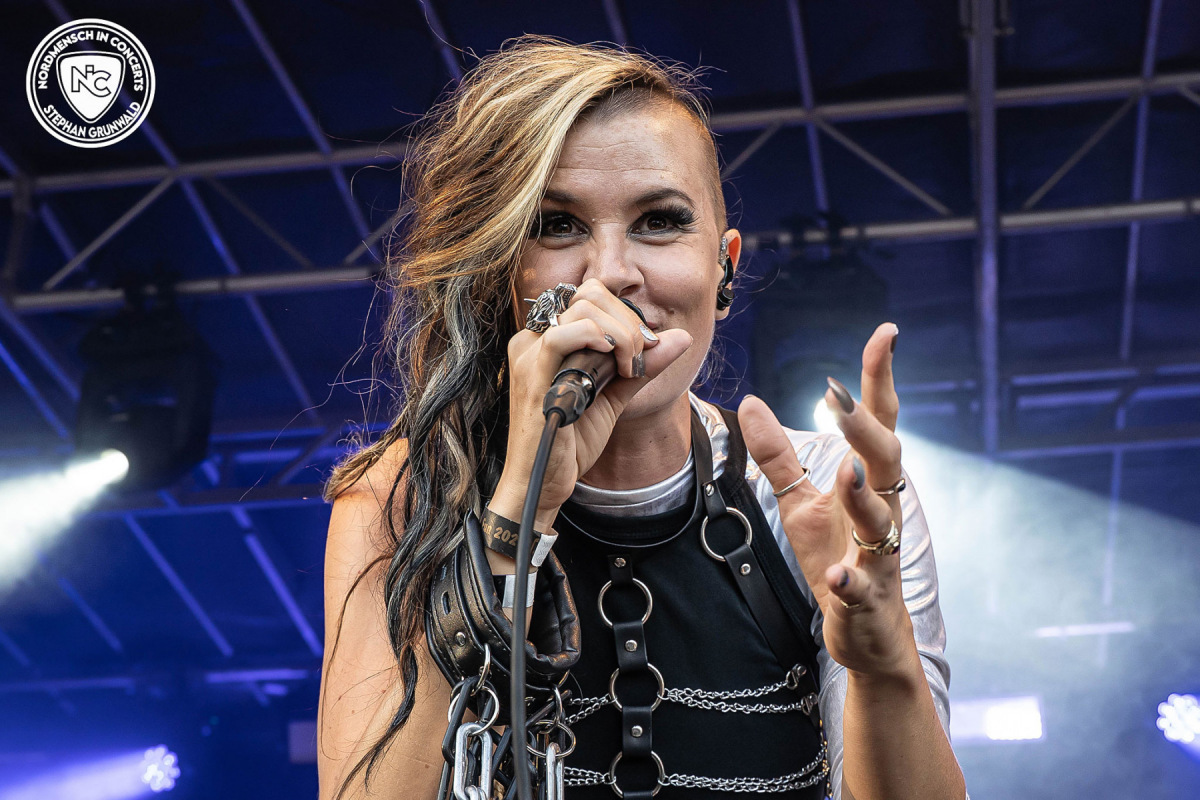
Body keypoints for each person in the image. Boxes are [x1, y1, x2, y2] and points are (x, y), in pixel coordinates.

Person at [318, 36, 967, 800]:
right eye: (557, 225)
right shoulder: (400, 497)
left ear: (724, 266)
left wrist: (884, 665)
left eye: (659, 221)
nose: (613, 274)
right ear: (503, 274)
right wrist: (519, 510)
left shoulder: (829, 492)